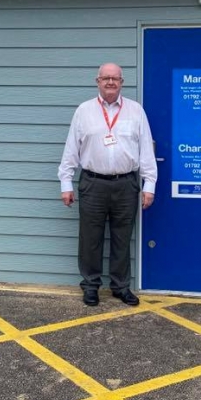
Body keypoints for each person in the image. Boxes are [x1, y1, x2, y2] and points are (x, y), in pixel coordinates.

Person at [58, 62, 157, 307]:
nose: (110, 82)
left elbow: (146, 151)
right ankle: (90, 286)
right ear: (98, 81)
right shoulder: (84, 111)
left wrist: (149, 185)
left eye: (115, 78)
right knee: (90, 239)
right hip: (93, 183)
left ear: (122, 82)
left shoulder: (136, 111)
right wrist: (65, 182)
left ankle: (120, 287)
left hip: (126, 185)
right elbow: (72, 148)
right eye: (106, 78)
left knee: (122, 238)